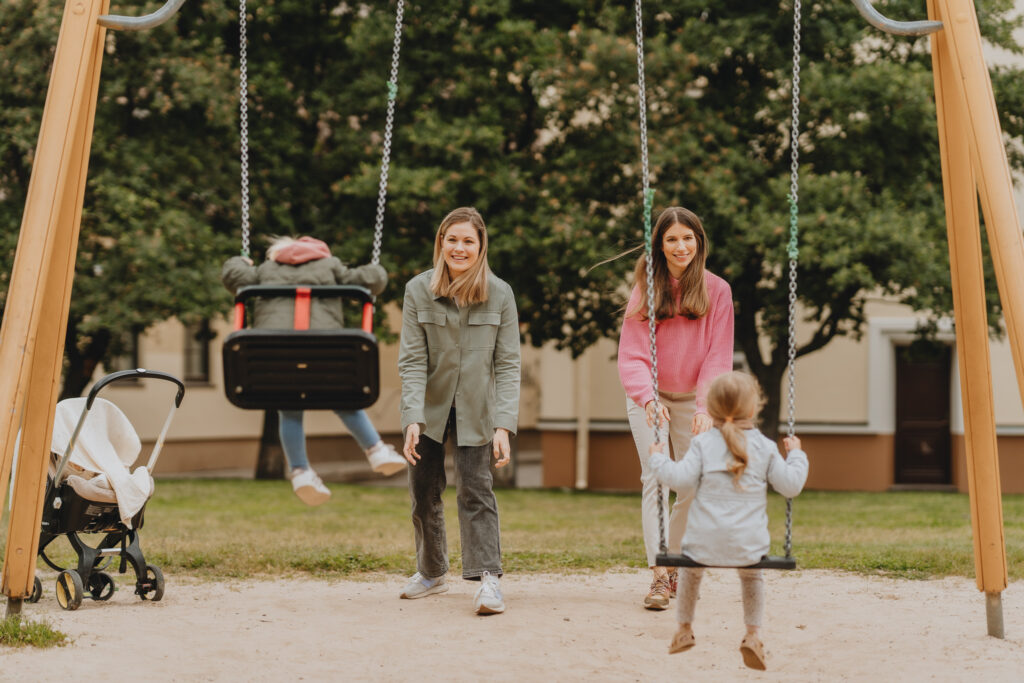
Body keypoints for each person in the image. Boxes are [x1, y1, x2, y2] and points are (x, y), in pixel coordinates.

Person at [396, 207, 521, 615]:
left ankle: (488, 580)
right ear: (441, 243)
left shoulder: (500, 293)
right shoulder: (418, 290)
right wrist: (411, 416)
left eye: (468, 241)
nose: (459, 248)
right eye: (452, 240)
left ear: (481, 246)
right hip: (430, 407)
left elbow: (507, 364)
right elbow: (412, 360)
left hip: (477, 408)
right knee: (422, 493)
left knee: (476, 490)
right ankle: (431, 573)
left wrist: (504, 424)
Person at [222, 236, 407, 506]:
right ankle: (376, 449)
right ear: (320, 253)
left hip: (270, 359)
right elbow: (373, 280)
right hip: (325, 355)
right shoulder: (331, 266)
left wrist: (241, 261)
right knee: (344, 398)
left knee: (288, 404)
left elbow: (231, 275)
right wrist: (375, 268)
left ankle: (300, 471)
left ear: (277, 254)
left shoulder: (265, 270)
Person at [647, 371, 808, 670]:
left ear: (711, 409)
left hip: (702, 543)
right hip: (748, 545)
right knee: (752, 576)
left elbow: (678, 479)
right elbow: (791, 486)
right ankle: (752, 636)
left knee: (691, 572)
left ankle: (683, 629)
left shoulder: (702, 444)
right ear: (753, 408)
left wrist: (657, 458)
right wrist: (797, 455)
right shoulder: (765, 447)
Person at [616, 206, 735, 610]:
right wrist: (648, 398)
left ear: (699, 241)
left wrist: (705, 406)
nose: (680, 246)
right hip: (650, 397)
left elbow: (718, 356)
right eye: (672, 239)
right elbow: (632, 355)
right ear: (660, 245)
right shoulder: (647, 288)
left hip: (693, 400)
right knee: (655, 477)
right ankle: (660, 575)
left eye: (688, 238)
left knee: (691, 482)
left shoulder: (717, 290)